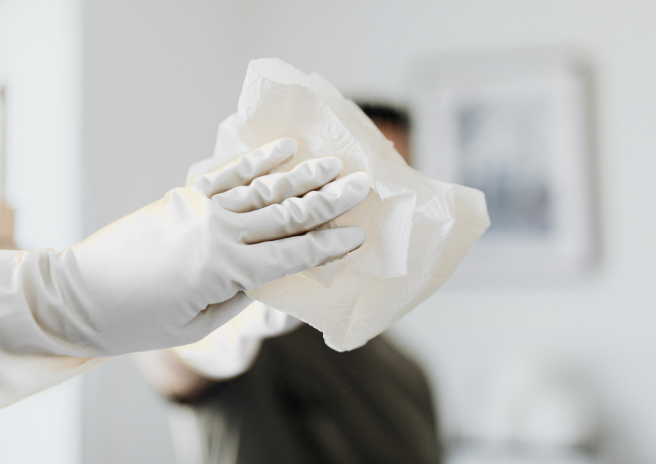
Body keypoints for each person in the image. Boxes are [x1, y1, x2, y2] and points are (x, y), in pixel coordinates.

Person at [0, 137, 369, 422]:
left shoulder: (394, 364)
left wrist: (74, 297)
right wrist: (81, 293)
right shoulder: (264, 304)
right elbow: (175, 374)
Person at [137, 103, 442, 464]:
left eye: (400, 185)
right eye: (364, 181)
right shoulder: (257, 333)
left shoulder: (410, 376)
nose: (382, 204)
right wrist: (205, 322)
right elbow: (174, 366)